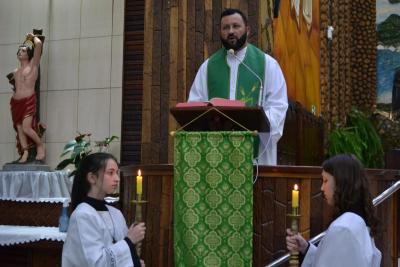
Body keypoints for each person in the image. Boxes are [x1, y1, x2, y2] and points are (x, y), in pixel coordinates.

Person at [188, 8, 288, 165]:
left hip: (256, 158)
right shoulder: (208, 68)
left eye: (236, 26)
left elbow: (278, 106)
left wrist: (254, 122)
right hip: (216, 155)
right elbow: (194, 106)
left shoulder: (268, 64)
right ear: (220, 32)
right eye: (226, 28)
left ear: (247, 30)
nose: (231, 31)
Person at [286, 154, 381, 267]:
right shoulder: (357, 221)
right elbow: (337, 260)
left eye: (326, 181)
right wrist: (305, 248)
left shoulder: (343, 228)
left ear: (341, 182)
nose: (322, 188)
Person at [62, 153, 146, 267]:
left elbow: (123, 256)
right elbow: (97, 263)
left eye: (116, 173)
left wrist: (134, 262)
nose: (117, 179)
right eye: (110, 173)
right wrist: (130, 240)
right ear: (92, 177)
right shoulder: (82, 215)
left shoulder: (116, 213)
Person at [10, 33, 45, 163]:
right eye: (19, 50)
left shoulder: (33, 66)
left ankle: (40, 145)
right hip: (15, 102)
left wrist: (31, 37)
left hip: (28, 101)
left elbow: (39, 45)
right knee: (19, 128)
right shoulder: (15, 71)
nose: (20, 52)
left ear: (28, 54)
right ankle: (25, 152)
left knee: (26, 127)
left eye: (23, 50)